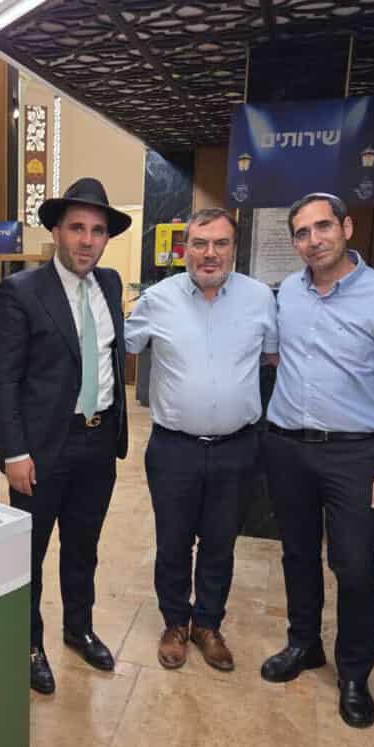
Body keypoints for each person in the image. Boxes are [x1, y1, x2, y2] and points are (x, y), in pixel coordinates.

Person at [258, 192, 374, 728]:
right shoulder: (287, 295)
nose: (314, 240)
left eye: (323, 227)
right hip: (287, 446)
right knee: (298, 554)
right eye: (302, 233)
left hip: (355, 454)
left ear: (347, 227)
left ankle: (354, 674)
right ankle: (304, 643)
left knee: (354, 566)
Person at [0, 176, 131, 695]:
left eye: (97, 231)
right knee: (29, 553)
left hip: (98, 442)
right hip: (43, 448)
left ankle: (79, 628)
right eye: (77, 228)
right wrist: (15, 451)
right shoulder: (21, 291)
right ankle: (28, 644)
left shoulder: (110, 284)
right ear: (56, 231)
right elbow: (4, 378)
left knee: (83, 547)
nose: (87, 241)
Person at [121, 207, 278, 673]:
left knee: (220, 543)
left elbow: (273, 357)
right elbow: (120, 346)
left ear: (234, 248)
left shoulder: (259, 299)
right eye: (200, 244)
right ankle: (175, 623)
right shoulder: (157, 300)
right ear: (184, 249)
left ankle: (208, 624)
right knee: (172, 543)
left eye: (220, 244)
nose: (210, 253)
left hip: (237, 448)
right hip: (174, 449)